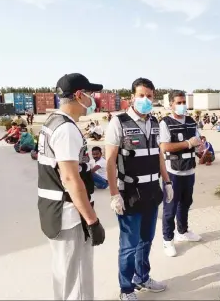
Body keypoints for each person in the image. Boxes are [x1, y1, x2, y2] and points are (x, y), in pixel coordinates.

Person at [37, 73, 105, 300]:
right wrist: (92, 221)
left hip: (55, 210)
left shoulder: (52, 122)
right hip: (70, 216)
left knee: (65, 276)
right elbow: (70, 179)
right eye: (90, 94)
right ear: (78, 95)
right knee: (75, 280)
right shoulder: (66, 130)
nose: (93, 99)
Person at [105, 77, 171, 300]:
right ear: (132, 97)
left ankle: (142, 278)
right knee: (128, 246)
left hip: (152, 191)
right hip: (130, 194)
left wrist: (167, 181)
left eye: (150, 96)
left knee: (146, 240)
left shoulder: (154, 122)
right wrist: (115, 194)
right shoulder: (118, 122)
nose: (146, 99)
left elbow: (159, 155)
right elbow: (110, 162)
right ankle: (126, 289)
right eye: (141, 95)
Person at [159, 90, 202, 258]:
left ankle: (182, 231)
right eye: (178, 102)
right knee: (170, 207)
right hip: (173, 172)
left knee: (185, 203)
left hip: (189, 170)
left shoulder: (191, 122)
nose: (182, 105)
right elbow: (164, 147)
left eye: (184, 102)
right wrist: (186, 143)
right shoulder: (165, 123)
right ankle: (167, 239)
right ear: (171, 104)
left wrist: (200, 146)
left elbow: (198, 141)